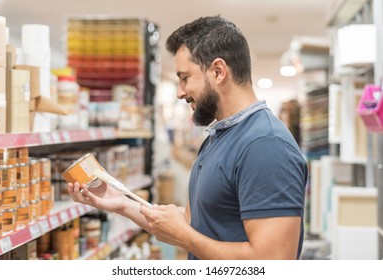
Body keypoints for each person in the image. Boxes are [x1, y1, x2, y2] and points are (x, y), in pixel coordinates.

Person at [68, 15, 308, 260]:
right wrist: (121, 203)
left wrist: (184, 237)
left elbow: (272, 262)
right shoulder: (219, 137)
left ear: (218, 71)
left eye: (185, 78)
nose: (180, 92)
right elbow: (197, 222)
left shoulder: (265, 145)